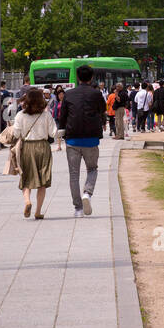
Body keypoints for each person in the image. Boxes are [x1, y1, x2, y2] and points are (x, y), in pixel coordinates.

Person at [59, 63, 106, 217]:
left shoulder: (69, 94)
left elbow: (63, 116)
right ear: (91, 77)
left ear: (78, 77)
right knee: (92, 169)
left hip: (73, 139)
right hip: (91, 139)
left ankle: (78, 208)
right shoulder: (96, 94)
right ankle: (87, 193)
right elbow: (102, 110)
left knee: (74, 174)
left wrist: (62, 131)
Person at [14, 87, 57, 220]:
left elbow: (16, 134)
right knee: (42, 181)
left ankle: (27, 201)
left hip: (27, 147)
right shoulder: (46, 115)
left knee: (26, 177)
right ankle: (38, 211)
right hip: (43, 147)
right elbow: (53, 133)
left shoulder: (20, 115)